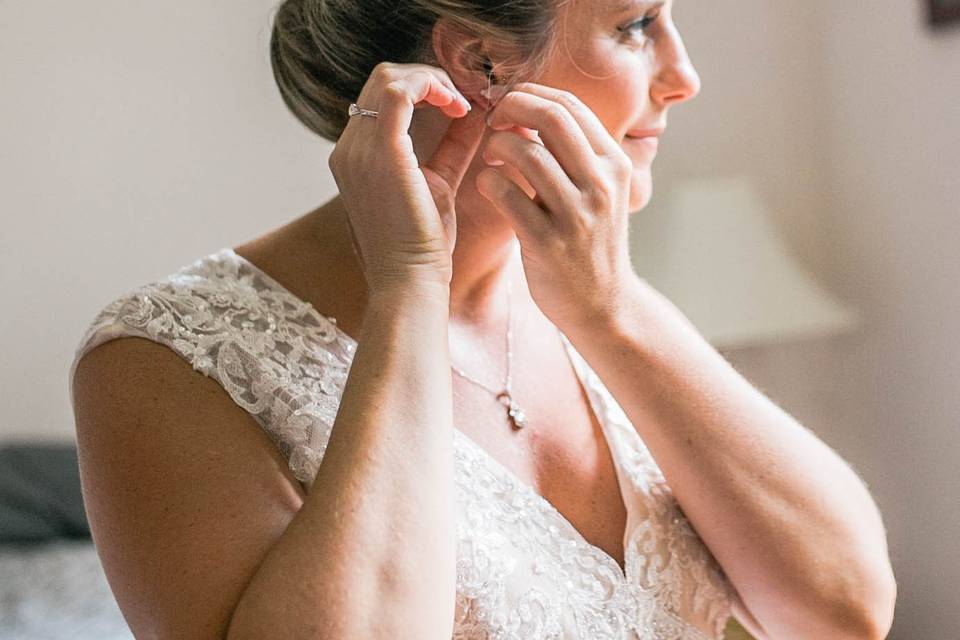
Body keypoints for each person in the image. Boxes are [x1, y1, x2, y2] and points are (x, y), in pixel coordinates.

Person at [68, 0, 897, 638]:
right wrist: (407, 289)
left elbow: (845, 611)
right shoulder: (165, 358)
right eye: (638, 24)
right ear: (481, 60)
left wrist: (612, 312)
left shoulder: (601, 304)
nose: (684, 75)